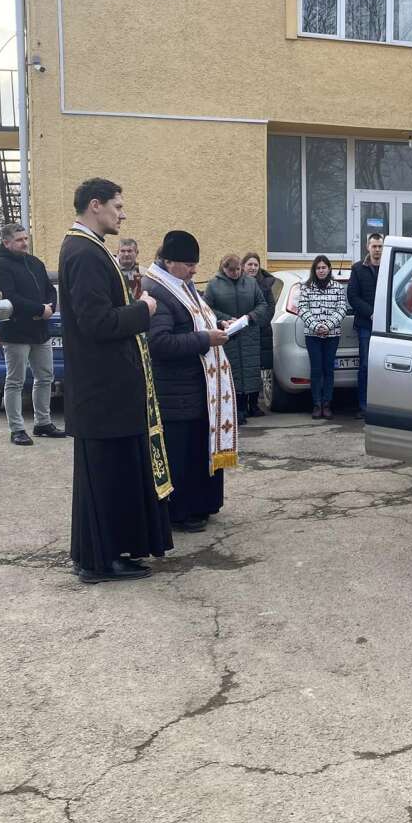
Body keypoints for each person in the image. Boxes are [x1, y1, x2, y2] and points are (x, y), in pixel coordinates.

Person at [59, 178, 171, 583]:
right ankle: (100, 561)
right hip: (102, 392)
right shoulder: (85, 253)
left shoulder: (87, 248)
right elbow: (97, 323)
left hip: (103, 391)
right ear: (96, 205)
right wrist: (144, 309)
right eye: (117, 206)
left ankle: (100, 554)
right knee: (104, 480)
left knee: (106, 478)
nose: (122, 214)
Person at [143, 231, 233, 533]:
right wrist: (205, 339)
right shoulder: (158, 291)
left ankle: (203, 504)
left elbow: (195, 323)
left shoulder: (182, 285)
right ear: (169, 262)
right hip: (176, 391)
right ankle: (181, 512)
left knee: (198, 449)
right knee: (182, 455)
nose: (195, 270)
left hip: (197, 387)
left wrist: (219, 326)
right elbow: (159, 343)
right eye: (189, 264)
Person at [0, 223, 64, 445]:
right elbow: (10, 298)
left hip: (40, 331)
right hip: (16, 331)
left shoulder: (35, 262)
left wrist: (50, 306)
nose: (24, 243)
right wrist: (40, 309)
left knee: (46, 377)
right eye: (19, 240)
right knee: (15, 381)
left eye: (26, 238)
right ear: (6, 242)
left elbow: (50, 290)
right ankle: (17, 429)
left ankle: (43, 423)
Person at [204, 254, 268, 425]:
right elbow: (207, 308)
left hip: (249, 332)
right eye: (231, 270)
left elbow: (262, 304)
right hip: (228, 334)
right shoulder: (214, 284)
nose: (235, 273)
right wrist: (224, 319)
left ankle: (252, 405)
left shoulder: (251, 283)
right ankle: (237, 409)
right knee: (232, 371)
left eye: (238, 269)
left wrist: (250, 317)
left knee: (251, 369)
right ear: (223, 268)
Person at [296, 254, 347, 420]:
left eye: (324, 267)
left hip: (332, 335)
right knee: (316, 369)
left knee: (328, 369)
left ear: (329, 268)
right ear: (314, 270)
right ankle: (317, 404)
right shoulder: (306, 287)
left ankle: (327, 404)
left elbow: (342, 309)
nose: (321, 270)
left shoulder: (338, 287)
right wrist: (316, 326)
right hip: (313, 335)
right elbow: (302, 308)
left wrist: (328, 326)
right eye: (318, 268)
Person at [346, 233, 382, 418]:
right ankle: (363, 406)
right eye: (374, 246)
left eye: (380, 246)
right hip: (365, 325)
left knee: (383, 367)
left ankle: (382, 406)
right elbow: (352, 297)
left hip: (386, 327)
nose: (377, 250)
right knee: (366, 365)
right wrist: (371, 313)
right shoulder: (358, 268)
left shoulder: (390, 267)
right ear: (368, 247)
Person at [242, 252, 276, 416]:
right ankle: (242, 406)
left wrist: (258, 323)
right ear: (243, 266)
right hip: (243, 332)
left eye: (256, 265)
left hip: (261, 332)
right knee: (244, 370)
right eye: (250, 264)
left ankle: (254, 404)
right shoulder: (238, 283)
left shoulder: (265, 285)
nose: (253, 268)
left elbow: (270, 307)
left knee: (257, 370)